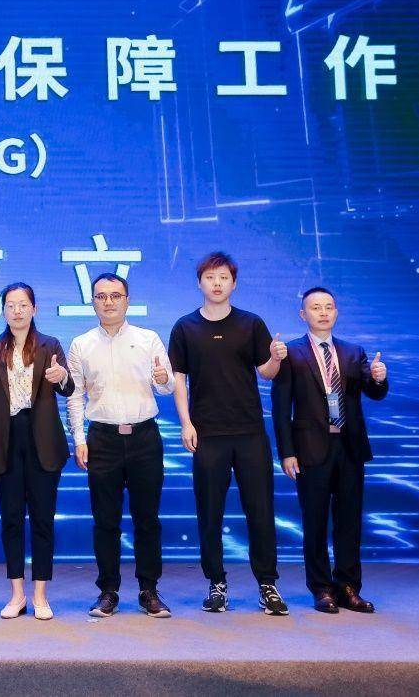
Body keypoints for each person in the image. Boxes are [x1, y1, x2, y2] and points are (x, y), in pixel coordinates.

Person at [168, 251, 289, 616]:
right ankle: (216, 583)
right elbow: (178, 379)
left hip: (249, 432)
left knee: (260, 510)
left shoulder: (251, 323)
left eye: (223, 277)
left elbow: (266, 372)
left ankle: (267, 584)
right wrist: (186, 423)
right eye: (210, 277)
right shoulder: (185, 327)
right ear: (199, 283)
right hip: (207, 434)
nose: (217, 283)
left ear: (234, 283)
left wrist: (276, 357)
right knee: (210, 512)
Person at [271, 286, 389, 614]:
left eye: (329, 307)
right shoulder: (291, 353)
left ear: (336, 312)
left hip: (349, 446)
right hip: (310, 447)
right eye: (316, 307)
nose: (323, 312)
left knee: (349, 520)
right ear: (303, 314)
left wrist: (378, 378)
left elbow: (374, 392)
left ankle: (349, 587)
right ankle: (321, 587)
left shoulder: (353, 352)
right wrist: (287, 452)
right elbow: (281, 407)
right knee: (315, 521)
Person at [66, 272, 173, 619]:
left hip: (144, 438)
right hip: (103, 439)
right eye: (101, 296)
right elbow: (75, 396)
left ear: (127, 300)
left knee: (147, 519)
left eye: (115, 295)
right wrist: (79, 439)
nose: (108, 302)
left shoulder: (148, 338)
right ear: (93, 302)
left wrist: (163, 380)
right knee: (105, 520)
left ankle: (149, 590)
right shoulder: (81, 344)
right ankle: (108, 591)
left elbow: (167, 386)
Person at [0, 282, 72, 621]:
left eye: (23, 305)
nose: (17, 311)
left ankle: (40, 594)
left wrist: (62, 376)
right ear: (3, 310)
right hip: (6, 439)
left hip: (43, 438)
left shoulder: (50, 345)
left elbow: (68, 388)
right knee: (12, 519)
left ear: (34, 309)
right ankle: (17, 594)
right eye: (10, 305)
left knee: (43, 519)